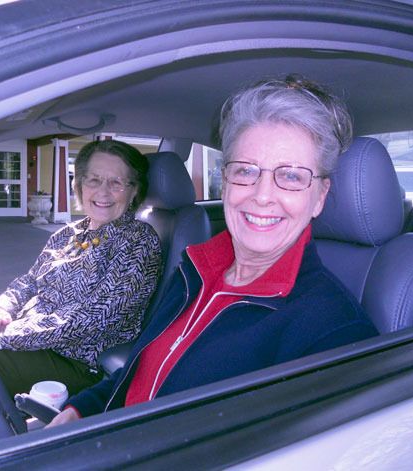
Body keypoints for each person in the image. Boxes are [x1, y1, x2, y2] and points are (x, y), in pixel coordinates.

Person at [49, 74, 379, 426]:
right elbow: (144, 374)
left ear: (320, 197)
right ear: (225, 182)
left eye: (292, 176)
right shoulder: (194, 271)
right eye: (246, 171)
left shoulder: (336, 335)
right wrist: (79, 409)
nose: (262, 195)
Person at [0, 139, 162, 396]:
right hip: (33, 342)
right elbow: (29, 282)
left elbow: (93, 318)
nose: (103, 192)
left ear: (134, 191)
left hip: (76, 362)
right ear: (79, 185)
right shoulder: (69, 233)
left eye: (116, 182)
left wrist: (3, 336)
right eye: (93, 180)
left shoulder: (138, 241)